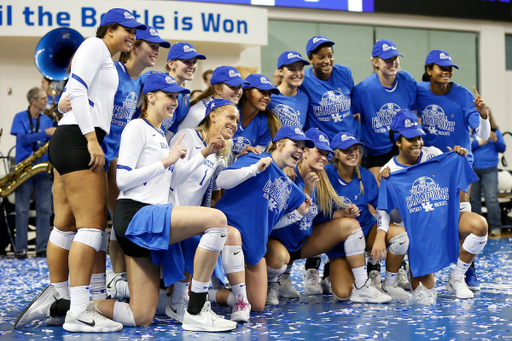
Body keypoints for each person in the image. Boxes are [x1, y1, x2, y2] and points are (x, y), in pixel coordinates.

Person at [15, 8, 147, 332]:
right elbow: (74, 91)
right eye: (127, 29)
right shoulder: (93, 46)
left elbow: (64, 100)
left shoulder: (105, 57)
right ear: (109, 29)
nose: (132, 36)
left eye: (134, 31)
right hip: (79, 139)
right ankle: (79, 311)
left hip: (69, 136)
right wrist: (92, 140)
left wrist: (79, 121)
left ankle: (61, 302)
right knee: (92, 225)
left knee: (65, 225)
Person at [264, 128, 393, 304]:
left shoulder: (322, 179)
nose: (324, 158)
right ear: (304, 152)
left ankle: (362, 286)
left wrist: (338, 214)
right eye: (320, 152)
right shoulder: (287, 174)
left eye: (327, 154)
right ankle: (274, 281)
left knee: (349, 225)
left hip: (302, 242)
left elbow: (317, 217)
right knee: (279, 258)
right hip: (278, 243)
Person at [379, 109, 488, 301]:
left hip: (444, 222)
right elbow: (393, 216)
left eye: (419, 137)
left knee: (480, 226)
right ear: (398, 142)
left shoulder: (435, 154)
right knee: (424, 294)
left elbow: (459, 184)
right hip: (417, 234)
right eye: (411, 139)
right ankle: (401, 275)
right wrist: (387, 184)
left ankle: (457, 277)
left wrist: (457, 158)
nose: (418, 143)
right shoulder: (390, 171)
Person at [168, 99, 249, 323]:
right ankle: (191, 302)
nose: (234, 124)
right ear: (212, 116)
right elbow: (173, 179)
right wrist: (204, 152)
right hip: (169, 213)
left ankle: (236, 300)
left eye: (237, 121)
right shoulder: (187, 136)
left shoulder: (218, 151)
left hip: (192, 218)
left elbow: (221, 183)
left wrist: (247, 164)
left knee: (230, 232)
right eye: (230, 117)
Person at [214, 126, 313, 311]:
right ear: (279, 144)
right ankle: (200, 290)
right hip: (226, 229)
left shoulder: (292, 189)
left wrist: (298, 213)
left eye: (303, 148)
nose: (300, 150)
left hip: (255, 242)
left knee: (257, 305)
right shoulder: (257, 157)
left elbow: (273, 222)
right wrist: (254, 170)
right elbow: (221, 180)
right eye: (295, 144)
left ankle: (211, 295)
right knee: (231, 236)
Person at [417, 49, 490, 290]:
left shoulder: (462, 94)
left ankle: (466, 271)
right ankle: (415, 267)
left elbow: (483, 134)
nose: (447, 71)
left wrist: (483, 116)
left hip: (459, 163)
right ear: (429, 70)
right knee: (426, 216)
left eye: (450, 68)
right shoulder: (418, 91)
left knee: (463, 214)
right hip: (430, 167)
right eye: (441, 67)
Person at [352, 40, 417, 180]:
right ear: (375, 62)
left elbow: (415, 113)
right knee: (376, 195)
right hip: (376, 152)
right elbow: (350, 116)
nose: (393, 62)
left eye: (395, 58)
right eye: (387, 59)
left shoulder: (407, 81)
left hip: (402, 149)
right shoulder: (364, 89)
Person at [10, 87, 56, 259]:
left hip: (43, 168)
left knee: (44, 209)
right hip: (24, 169)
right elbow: (22, 139)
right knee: (21, 209)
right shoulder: (19, 117)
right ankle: (20, 249)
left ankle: (42, 248)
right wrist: (45, 133)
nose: (46, 101)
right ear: (33, 101)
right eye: (43, 99)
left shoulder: (47, 119)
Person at [300, 36, 358, 142]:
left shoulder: (345, 72)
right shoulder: (304, 80)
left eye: (330, 56)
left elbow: (354, 105)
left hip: (350, 142)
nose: (327, 61)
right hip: (323, 146)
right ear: (310, 59)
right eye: (321, 57)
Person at [177, 65, 248, 132]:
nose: (238, 92)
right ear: (217, 89)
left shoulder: (228, 107)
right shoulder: (200, 113)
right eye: (232, 87)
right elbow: (181, 139)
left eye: (239, 87)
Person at [470, 107, 506, 238]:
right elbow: (468, 148)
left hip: (490, 169)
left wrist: (495, 140)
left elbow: (502, 148)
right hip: (473, 169)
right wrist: (481, 142)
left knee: (491, 198)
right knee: (474, 200)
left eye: (487, 115)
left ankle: (496, 227)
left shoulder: (495, 131)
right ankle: (478, 228)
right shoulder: (472, 130)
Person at [161, 42, 206, 142]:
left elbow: (172, 130)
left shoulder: (184, 95)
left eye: (194, 62)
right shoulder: (157, 84)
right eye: (186, 61)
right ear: (171, 64)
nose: (192, 66)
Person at [233, 74, 281, 157]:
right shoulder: (229, 112)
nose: (267, 97)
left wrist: (238, 158)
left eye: (269, 94)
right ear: (247, 92)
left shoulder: (267, 123)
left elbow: (256, 157)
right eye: (262, 92)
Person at [268, 51, 310, 130]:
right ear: (280, 71)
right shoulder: (269, 96)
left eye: (300, 68)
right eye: (292, 69)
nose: (297, 73)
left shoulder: (304, 98)